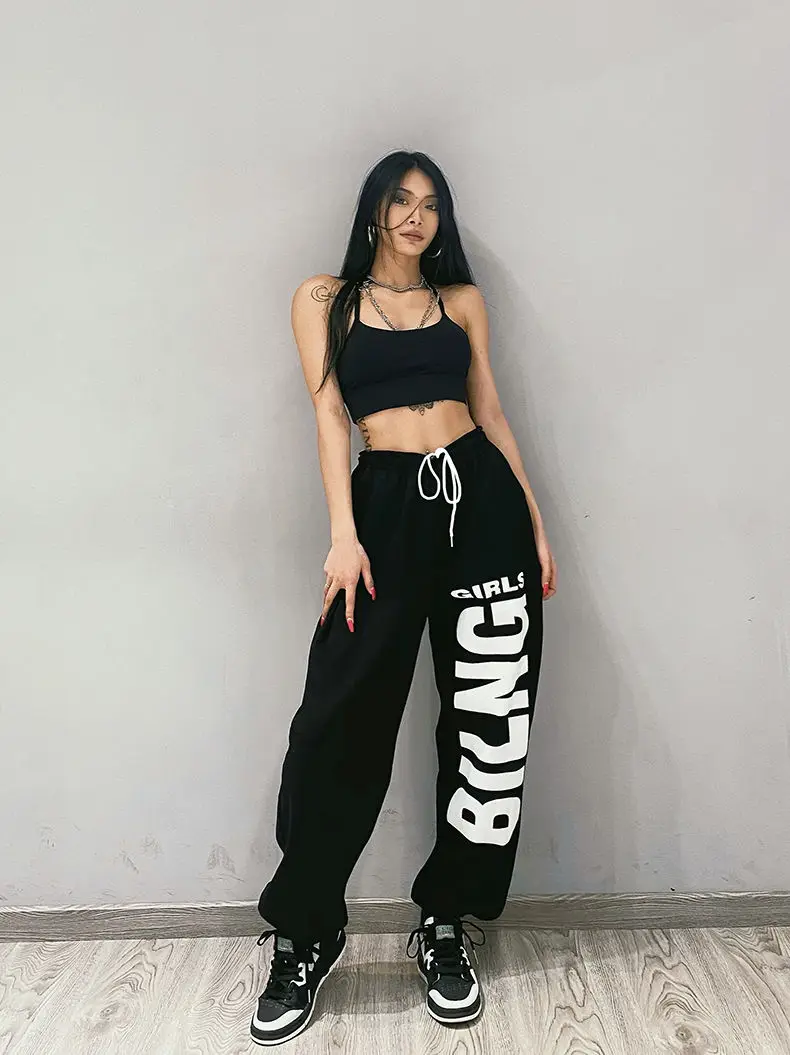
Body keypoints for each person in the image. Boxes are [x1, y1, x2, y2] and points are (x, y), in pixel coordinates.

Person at [250, 150, 557, 1047]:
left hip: (483, 504)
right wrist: (343, 534)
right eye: (401, 200)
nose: (416, 216)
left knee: (488, 719)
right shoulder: (324, 298)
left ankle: (445, 920)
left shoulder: (461, 301)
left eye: (431, 204)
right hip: (382, 508)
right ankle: (308, 930)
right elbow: (326, 414)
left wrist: (535, 522)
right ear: (374, 211)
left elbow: (490, 411)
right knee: (336, 720)